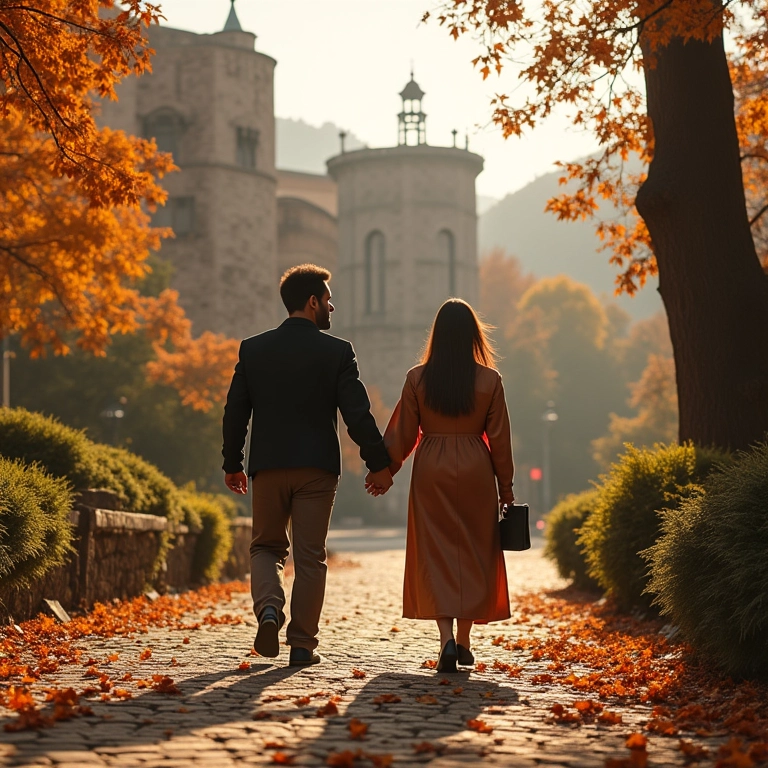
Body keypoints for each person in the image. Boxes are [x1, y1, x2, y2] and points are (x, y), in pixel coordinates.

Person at [222, 264, 393, 667]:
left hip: (267, 466)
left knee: (266, 546)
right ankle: (301, 644)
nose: (332, 307)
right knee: (310, 556)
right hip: (317, 469)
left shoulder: (254, 349)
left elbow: (235, 411)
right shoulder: (337, 352)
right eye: (328, 300)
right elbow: (357, 414)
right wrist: (378, 464)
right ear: (312, 302)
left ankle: (269, 609)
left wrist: (233, 462)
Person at [369, 299, 515, 673]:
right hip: (476, 467)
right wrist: (507, 490)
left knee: (435, 552)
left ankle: (446, 640)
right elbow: (500, 440)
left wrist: (385, 472)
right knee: (474, 551)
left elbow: (403, 434)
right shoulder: (490, 381)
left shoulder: (417, 379)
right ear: (473, 336)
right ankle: (465, 640)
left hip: (431, 466)